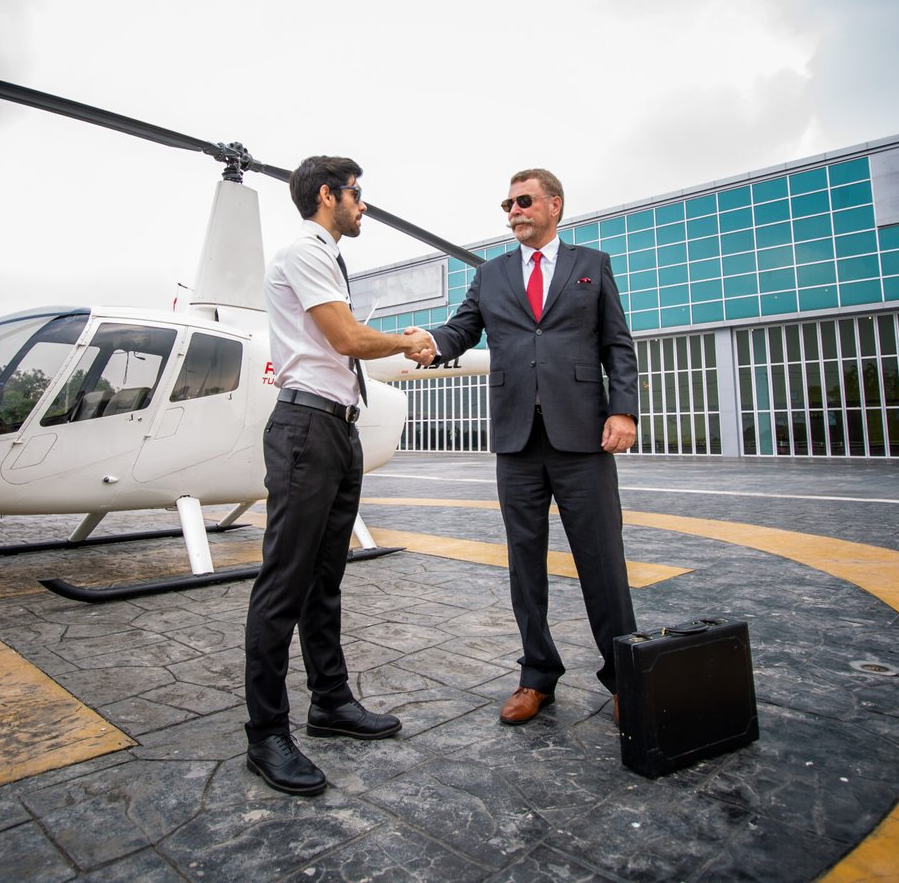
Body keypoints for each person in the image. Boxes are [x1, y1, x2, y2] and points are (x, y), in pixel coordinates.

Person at [413, 168, 638, 725]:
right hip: (516, 439)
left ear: (554, 205)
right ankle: (537, 675)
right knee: (524, 563)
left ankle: (626, 676)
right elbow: (461, 330)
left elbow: (617, 342)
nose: (513, 211)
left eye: (523, 201)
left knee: (602, 560)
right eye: (507, 205)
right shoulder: (491, 275)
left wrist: (623, 408)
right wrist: (428, 342)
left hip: (582, 435)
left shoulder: (592, 266)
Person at [243, 155, 436, 796]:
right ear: (329, 195)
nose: (363, 205)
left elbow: (344, 344)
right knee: (285, 583)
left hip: (337, 429)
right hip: (306, 431)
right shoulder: (305, 251)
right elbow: (347, 339)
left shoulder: (325, 255)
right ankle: (266, 733)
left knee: (325, 580)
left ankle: (329, 701)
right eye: (356, 194)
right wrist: (409, 340)